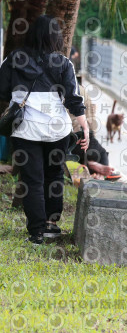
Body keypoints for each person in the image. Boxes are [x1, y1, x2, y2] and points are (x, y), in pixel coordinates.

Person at [0, 15, 89, 244]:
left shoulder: (13, 59)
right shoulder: (64, 63)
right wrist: (85, 126)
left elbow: (2, 91)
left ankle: (36, 232)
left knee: (32, 180)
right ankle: (51, 224)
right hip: (57, 130)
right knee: (54, 175)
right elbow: (73, 98)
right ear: (56, 37)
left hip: (25, 128)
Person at [70, 83, 120, 180]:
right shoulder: (79, 90)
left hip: (62, 139)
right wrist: (91, 138)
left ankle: (93, 166)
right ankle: (97, 170)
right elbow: (91, 120)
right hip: (79, 137)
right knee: (100, 152)